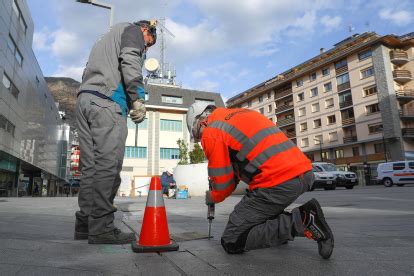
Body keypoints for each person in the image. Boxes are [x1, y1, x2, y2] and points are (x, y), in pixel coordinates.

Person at [186, 102, 334, 259]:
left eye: (197, 135)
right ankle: (278, 232)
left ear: (202, 122)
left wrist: (213, 196)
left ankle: (303, 220)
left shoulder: (212, 131)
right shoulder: (242, 114)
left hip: (278, 182)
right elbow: (244, 161)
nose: (201, 140)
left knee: (232, 239)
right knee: (255, 210)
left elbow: (224, 186)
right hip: (304, 173)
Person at [74, 20, 157, 244]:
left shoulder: (103, 40)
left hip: (85, 100)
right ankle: (101, 229)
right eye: (148, 43)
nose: (145, 49)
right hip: (107, 104)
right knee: (107, 165)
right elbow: (130, 60)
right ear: (145, 30)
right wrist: (138, 98)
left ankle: (85, 224)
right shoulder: (132, 31)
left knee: (90, 167)